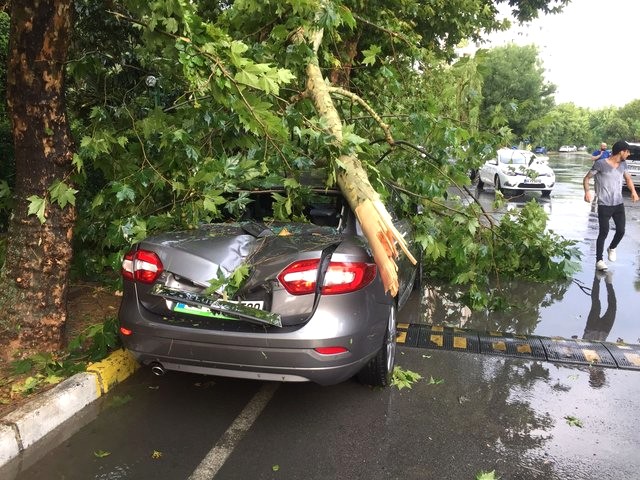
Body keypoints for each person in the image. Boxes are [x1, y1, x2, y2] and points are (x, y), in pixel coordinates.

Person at [583, 140, 640, 270]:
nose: (629, 154)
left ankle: (612, 247)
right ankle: (599, 261)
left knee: (621, 231)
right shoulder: (600, 164)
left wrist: (633, 191)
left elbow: (628, 179)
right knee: (604, 232)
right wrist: (587, 192)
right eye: (628, 152)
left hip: (618, 203)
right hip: (604, 204)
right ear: (622, 152)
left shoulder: (623, 165)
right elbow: (587, 178)